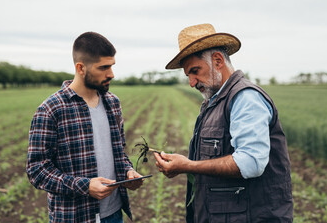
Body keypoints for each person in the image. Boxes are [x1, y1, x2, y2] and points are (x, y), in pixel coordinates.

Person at [154, 23, 293, 223]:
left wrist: (189, 166)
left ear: (218, 60)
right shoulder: (215, 100)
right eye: (188, 76)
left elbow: (251, 163)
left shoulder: (245, 98)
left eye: (195, 71)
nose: (192, 82)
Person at [26, 32, 143, 223]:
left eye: (112, 66)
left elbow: (118, 153)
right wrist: (85, 186)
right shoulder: (51, 109)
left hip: (114, 214)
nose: (111, 74)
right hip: (75, 217)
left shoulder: (113, 103)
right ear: (80, 68)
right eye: (103, 67)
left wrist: (128, 172)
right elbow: (37, 170)